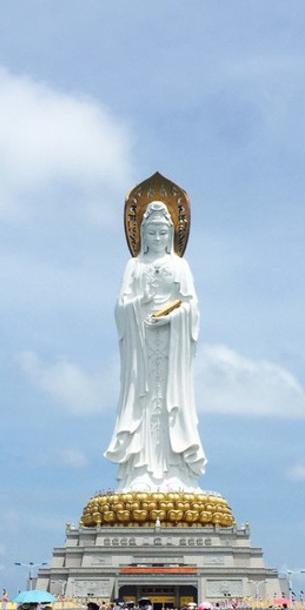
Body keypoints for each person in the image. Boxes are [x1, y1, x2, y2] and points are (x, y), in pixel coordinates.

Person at [105, 200, 206, 491]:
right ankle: (140, 470)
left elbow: (192, 308)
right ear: (142, 234)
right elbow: (120, 307)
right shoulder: (134, 266)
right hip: (141, 345)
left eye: (163, 233)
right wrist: (141, 302)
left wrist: (174, 317)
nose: (158, 239)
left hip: (173, 345)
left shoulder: (180, 266)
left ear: (172, 234)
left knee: (172, 402)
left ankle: (176, 469)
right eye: (152, 233)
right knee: (143, 401)